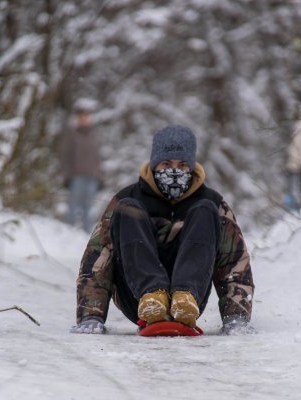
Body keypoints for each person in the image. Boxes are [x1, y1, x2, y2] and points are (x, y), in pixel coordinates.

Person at [71, 125, 255, 335]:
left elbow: (234, 262)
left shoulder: (213, 203)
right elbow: (98, 259)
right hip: (137, 298)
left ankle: (183, 296)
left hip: (191, 300)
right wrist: (90, 315)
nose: (174, 171)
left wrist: (236, 317)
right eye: (166, 164)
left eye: (182, 164)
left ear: (192, 167)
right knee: (128, 210)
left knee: (205, 210)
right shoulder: (126, 198)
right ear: (154, 164)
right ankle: (152, 295)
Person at [60, 100, 101, 232]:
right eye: (81, 116)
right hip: (76, 177)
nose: (84, 119)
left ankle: (86, 237)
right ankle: (67, 233)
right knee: (72, 207)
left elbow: (97, 158)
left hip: (92, 178)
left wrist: (100, 177)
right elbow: (65, 157)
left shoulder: (94, 136)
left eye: (86, 116)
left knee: (88, 209)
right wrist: (67, 176)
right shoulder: (72, 135)